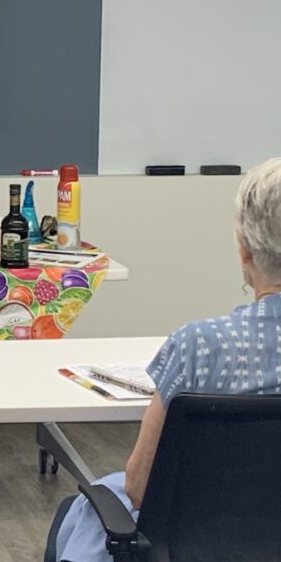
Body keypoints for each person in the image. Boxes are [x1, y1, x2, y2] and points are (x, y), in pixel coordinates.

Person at [51, 157, 281, 561]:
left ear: (245, 251)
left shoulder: (199, 347)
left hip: (203, 548)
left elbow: (140, 487)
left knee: (91, 507)